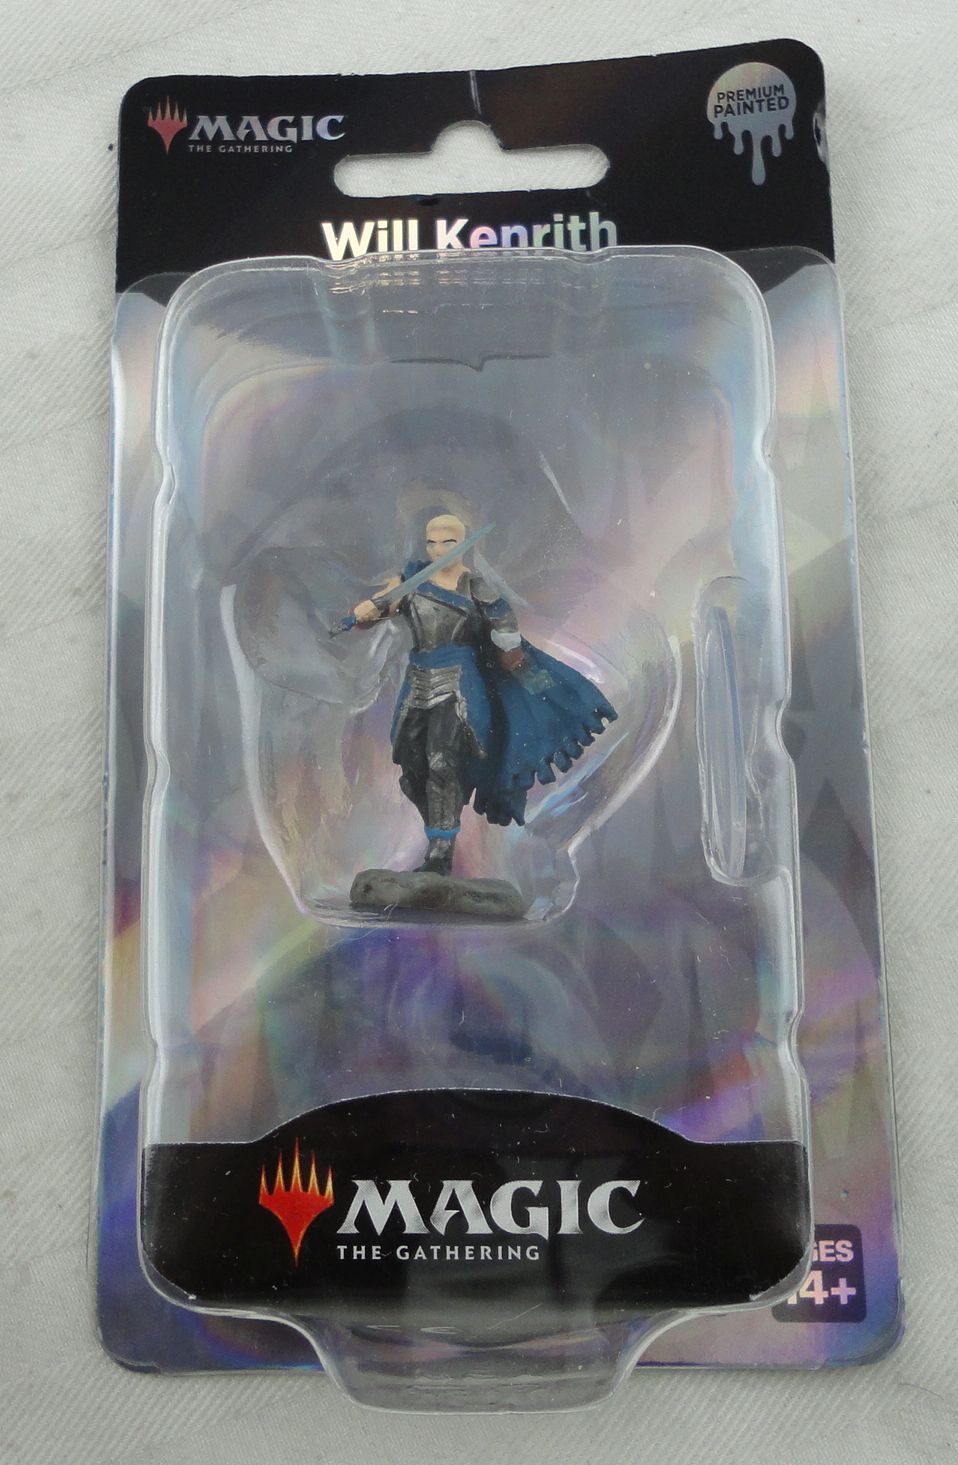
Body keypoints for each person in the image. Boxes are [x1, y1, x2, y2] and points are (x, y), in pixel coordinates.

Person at [352, 514, 616, 875]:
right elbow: (374, 613)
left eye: (448, 542)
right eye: (432, 542)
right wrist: (366, 611)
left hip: (459, 681)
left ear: (462, 544)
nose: (439, 549)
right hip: (418, 679)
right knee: (412, 768)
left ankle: (441, 850)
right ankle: (437, 832)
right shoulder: (409, 582)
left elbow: (504, 625)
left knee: (442, 760)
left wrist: (512, 655)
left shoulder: (475, 587)